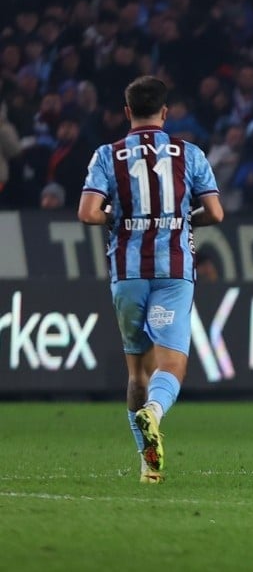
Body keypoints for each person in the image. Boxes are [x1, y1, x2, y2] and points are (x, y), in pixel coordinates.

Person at [77, 75, 225, 484]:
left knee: (137, 373)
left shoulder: (108, 154)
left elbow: (88, 213)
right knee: (172, 364)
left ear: (127, 113)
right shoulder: (188, 154)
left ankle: (147, 464)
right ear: (165, 111)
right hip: (173, 271)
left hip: (127, 272)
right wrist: (183, 221)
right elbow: (215, 213)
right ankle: (154, 414)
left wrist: (116, 219)